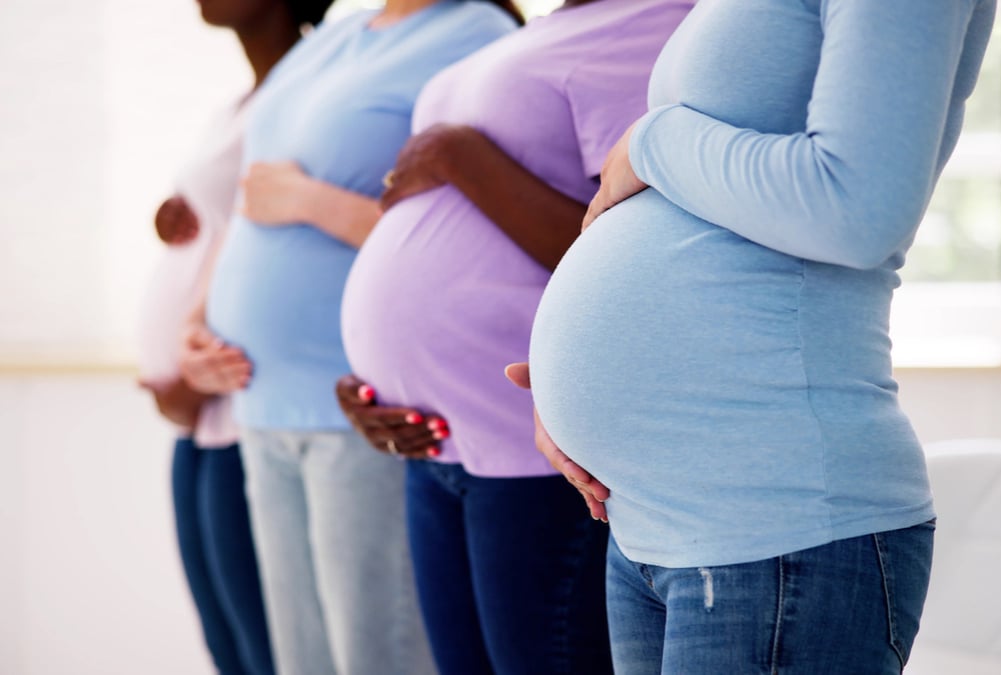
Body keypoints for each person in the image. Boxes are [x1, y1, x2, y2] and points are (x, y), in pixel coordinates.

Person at [517, 1, 998, 672]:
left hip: (776, 528)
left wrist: (652, 142)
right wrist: (571, 378)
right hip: (650, 526)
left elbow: (858, 210)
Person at [334, 0, 691, 671]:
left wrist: (455, 153)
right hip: (435, 444)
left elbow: (636, 253)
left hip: (535, 451)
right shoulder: (551, 29)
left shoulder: (661, 21)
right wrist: (379, 367)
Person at [188, 2, 519, 673]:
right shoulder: (338, 35)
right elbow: (253, 194)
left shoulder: (476, 33)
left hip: (359, 410)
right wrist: (197, 321)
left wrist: (311, 201)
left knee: (378, 656)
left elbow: (477, 232)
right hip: (262, 402)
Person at [136, 1, 329, 673]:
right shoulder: (245, 98)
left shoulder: (314, 84)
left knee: (265, 650)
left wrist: (188, 374)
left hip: (241, 405)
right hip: (199, 412)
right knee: (228, 647)